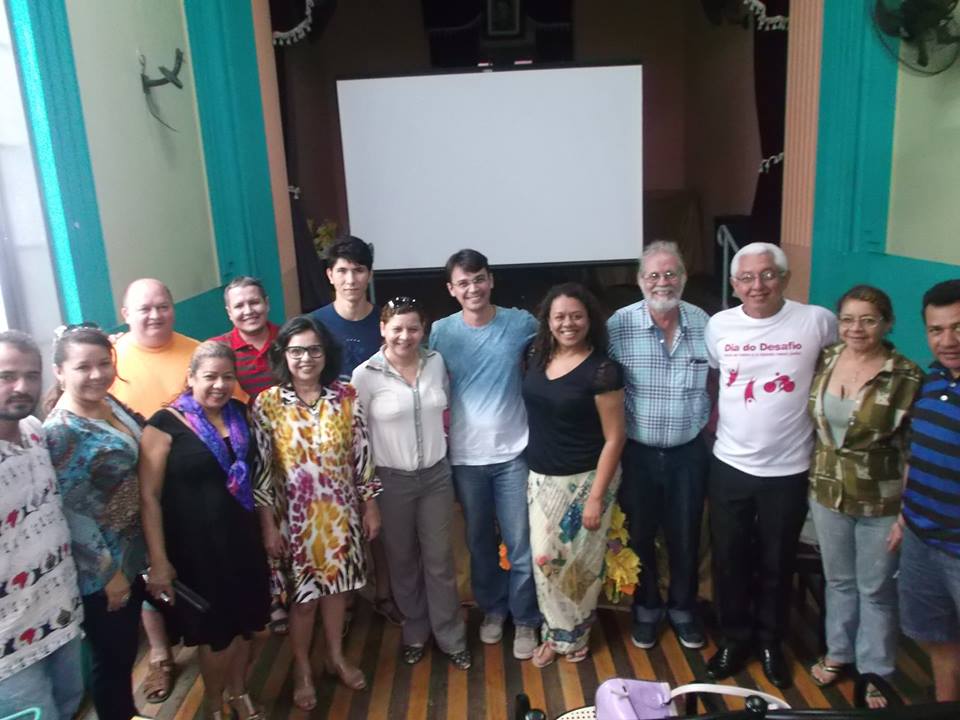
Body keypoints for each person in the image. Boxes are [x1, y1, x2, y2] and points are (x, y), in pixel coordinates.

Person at [704, 242, 836, 688]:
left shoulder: (817, 321)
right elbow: (719, 375)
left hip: (789, 469)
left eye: (767, 275)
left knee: (777, 561)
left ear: (785, 278)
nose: (756, 285)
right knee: (729, 559)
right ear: (734, 284)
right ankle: (734, 640)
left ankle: (770, 643)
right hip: (729, 464)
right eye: (746, 278)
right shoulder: (720, 325)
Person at [252, 316, 381, 708]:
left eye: (313, 349)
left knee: (338, 593)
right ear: (283, 355)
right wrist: (268, 526)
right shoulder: (268, 403)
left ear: (326, 353)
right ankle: (303, 669)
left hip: (341, 516)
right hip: (296, 523)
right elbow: (262, 472)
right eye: (296, 351)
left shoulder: (346, 395)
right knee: (304, 602)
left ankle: (336, 657)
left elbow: (362, 456)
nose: (305, 358)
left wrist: (370, 505)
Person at [140, 341, 270, 720]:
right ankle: (213, 702)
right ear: (191, 377)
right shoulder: (164, 425)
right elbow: (149, 498)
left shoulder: (240, 414)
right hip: (197, 552)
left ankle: (239, 691)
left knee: (248, 627)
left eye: (228, 377)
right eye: (210, 377)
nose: (219, 385)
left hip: (242, 542)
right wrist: (159, 560)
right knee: (217, 636)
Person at [805, 285, 922, 707]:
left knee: (875, 589)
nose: (857, 328)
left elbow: (914, 451)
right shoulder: (827, 358)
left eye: (868, 320)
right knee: (838, 580)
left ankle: (876, 671)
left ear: (887, 324)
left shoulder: (906, 376)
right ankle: (839, 652)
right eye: (848, 319)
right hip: (827, 492)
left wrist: (906, 514)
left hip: (882, 501)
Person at [428, 248, 542, 660]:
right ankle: (494, 610)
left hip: (513, 455)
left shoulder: (521, 323)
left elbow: (555, 349)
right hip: (465, 458)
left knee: (520, 543)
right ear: (451, 289)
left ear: (490, 280)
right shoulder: (440, 332)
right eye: (463, 282)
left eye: (478, 279)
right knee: (479, 544)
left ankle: (526, 618)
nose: (472, 288)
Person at [351, 297, 471, 670]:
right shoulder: (365, 375)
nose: (405, 336)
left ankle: (450, 636)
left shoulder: (435, 363)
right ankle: (415, 632)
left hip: (436, 477)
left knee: (439, 560)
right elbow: (357, 439)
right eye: (397, 328)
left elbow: (445, 410)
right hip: (391, 482)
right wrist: (368, 496)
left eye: (413, 328)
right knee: (402, 561)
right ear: (382, 329)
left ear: (424, 330)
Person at [607, 241, 711, 651]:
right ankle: (647, 607)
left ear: (683, 278)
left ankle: (683, 608)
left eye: (670, 274)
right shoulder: (618, 325)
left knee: (686, 533)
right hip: (637, 453)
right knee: (640, 534)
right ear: (640, 281)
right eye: (653, 275)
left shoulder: (706, 324)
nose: (662, 282)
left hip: (689, 452)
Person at [43, 325, 148, 720]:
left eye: (104, 363)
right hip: (102, 570)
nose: (97, 374)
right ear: (59, 372)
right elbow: (73, 515)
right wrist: (109, 574)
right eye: (83, 367)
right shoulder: (61, 431)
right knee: (113, 660)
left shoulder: (108, 403)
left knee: (126, 650)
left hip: (130, 551)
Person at [522, 283, 626, 668]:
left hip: (586, 481)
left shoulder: (603, 370)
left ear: (590, 320)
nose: (569, 323)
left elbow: (615, 438)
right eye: (560, 316)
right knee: (545, 561)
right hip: (541, 479)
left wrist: (596, 497)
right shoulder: (535, 357)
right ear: (548, 321)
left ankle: (573, 637)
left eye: (577, 316)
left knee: (580, 567)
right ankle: (555, 632)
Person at [111, 277, 201, 702]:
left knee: (192, 564)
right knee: (150, 569)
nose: (155, 315)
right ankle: (161, 655)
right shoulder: (111, 359)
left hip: (192, 485)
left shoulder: (196, 352)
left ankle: (206, 638)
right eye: (144, 308)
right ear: (125, 314)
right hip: (135, 489)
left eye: (162, 306)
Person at [310, 237, 401, 626]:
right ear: (330, 275)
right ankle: (343, 600)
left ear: (369, 275)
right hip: (332, 444)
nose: (351, 279)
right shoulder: (314, 324)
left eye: (359, 270)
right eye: (343, 271)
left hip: (382, 438)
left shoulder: (385, 322)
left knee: (380, 521)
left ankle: (384, 593)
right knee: (339, 525)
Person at [0, 330, 84, 720]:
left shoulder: (35, 429)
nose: (21, 386)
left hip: (58, 613)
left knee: (69, 705)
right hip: (8, 645)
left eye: (31, 376)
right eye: (6, 376)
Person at [894, 279, 960, 702]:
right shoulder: (931, 379)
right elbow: (915, 455)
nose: (947, 340)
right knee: (937, 638)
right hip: (920, 537)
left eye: (958, 327)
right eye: (937, 330)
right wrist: (904, 516)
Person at [210, 277, 280, 400]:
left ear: (267, 304)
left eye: (254, 302)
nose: (248, 311)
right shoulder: (215, 349)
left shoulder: (289, 339)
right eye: (239, 306)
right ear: (229, 313)